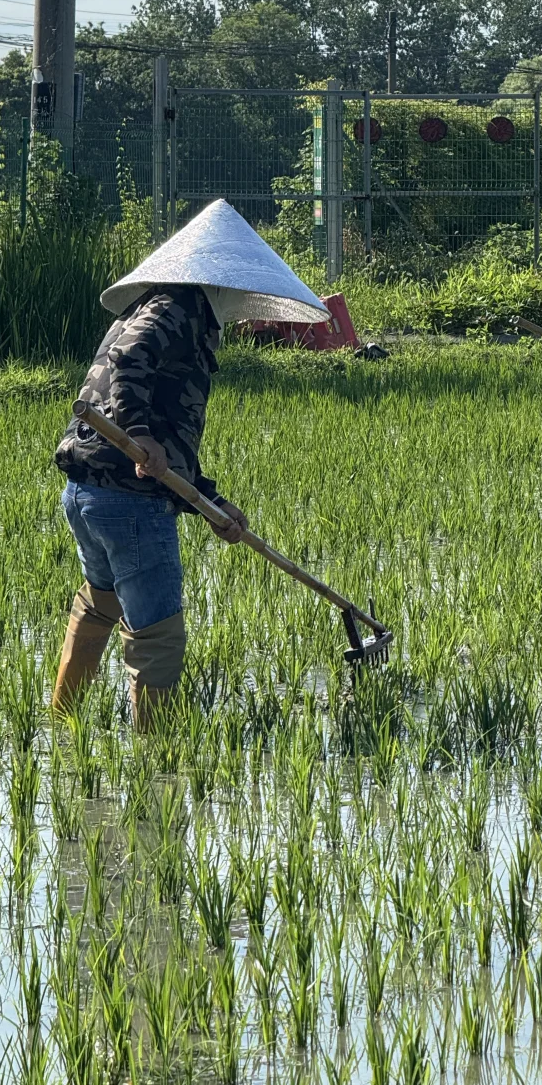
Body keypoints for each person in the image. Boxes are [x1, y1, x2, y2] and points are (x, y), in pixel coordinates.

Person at [51, 199, 328, 729]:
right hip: (129, 500)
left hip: (92, 490)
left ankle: (63, 723)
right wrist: (135, 432)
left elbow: (165, 446)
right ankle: (159, 760)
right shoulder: (175, 307)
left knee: (99, 604)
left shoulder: (171, 310)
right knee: (157, 632)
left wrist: (210, 501)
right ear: (222, 280)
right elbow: (129, 368)